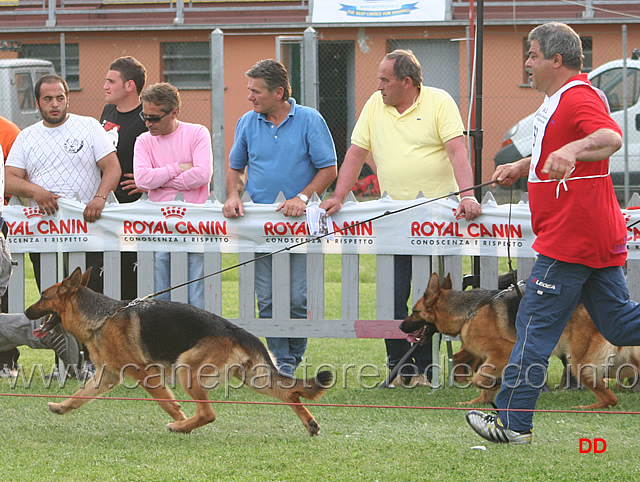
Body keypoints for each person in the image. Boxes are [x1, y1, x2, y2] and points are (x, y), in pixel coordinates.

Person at [465, 22, 640, 445]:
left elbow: (610, 137)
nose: (526, 63)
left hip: (572, 237)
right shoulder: (557, 100)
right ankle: (513, 420)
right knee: (618, 324)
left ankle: (513, 423)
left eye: (532, 54)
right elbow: (556, 147)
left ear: (555, 60)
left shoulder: (578, 95)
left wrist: (571, 150)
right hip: (587, 235)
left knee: (534, 327)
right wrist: (523, 166)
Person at [320, 49, 481, 388]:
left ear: (406, 82)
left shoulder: (439, 102)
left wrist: (467, 195)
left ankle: (425, 368)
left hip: (436, 222)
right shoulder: (374, 106)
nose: (378, 86)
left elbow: (457, 151)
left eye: (384, 79)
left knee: (431, 299)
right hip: (392, 221)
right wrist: (337, 195)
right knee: (391, 295)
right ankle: (400, 367)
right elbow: (356, 152)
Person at [223, 59, 337, 376]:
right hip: (261, 227)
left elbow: (329, 168)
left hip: (300, 225)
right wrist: (233, 195)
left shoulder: (310, 120)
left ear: (279, 92)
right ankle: (280, 360)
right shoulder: (247, 122)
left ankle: (293, 356)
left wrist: (301, 198)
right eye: (249, 90)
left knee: (298, 298)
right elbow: (235, 167)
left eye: (255, 91)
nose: (250, 97)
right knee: (268, 297)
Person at [5, 74, 121, 378]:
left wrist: (99, 196)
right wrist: (36, 192)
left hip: (87, 231)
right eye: (47, 99)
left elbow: (112, 167)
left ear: (68, 97)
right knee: (52, 301)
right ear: (37, 102)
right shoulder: (27, 136)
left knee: (87, 298)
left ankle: (92, 362)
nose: (55, 104)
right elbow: (10, 177)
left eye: (60, 98)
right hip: (42, 234)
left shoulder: (88, 126)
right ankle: (66, 365)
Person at [133, 82, 213, 309]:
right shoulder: (144, 140)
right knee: (161, 295)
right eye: (144, 117)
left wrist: (160, 183)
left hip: (195, 223)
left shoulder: (197, 132)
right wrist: (178, 167)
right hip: (159, 225)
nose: (148, 124)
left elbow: (202, 174)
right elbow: (142, 179)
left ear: (174, 112)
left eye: (155, 118)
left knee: (196, 291)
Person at [101, 56, 148, 300]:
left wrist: (147, 182)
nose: (105, 86)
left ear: (129, 86)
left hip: (133, 209)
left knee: (130, 281)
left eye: (111, 81)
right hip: (106, 206)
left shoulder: (146, 117)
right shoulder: (108, 111)